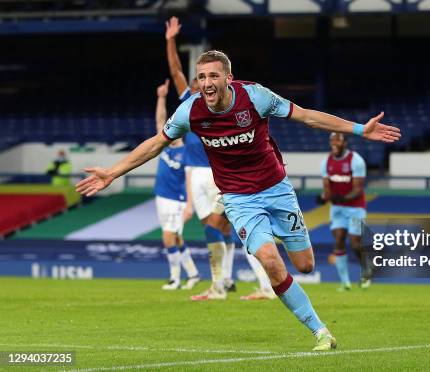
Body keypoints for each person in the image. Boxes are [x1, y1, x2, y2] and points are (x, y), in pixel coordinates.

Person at [76, 49, 400, 350]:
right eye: (201, 77)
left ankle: (275, 243)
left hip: (276, 189)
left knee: (305, 265)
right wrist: (112, 173)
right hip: (238, 199)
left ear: (228, 78)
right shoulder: (190, 111)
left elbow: (306, 116)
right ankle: (321, 331)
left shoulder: (255, 96)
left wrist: (359, 130)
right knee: (271, 262)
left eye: (213, 76)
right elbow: (155, 144)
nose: (206, 83)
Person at [165, 16, 235, 300]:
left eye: (207, 78)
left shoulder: (223, 103)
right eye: (198, 79)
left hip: (218, 173)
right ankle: (221, 282)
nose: (201, 83)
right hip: (196, 173)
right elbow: (175, 70)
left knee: (227, 227)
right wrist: (170, 41)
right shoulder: (188, 105)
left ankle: (227, 281)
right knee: (213, 229)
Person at [153, 79, 201, 290]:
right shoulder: (164, 145)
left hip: (177, 199)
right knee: (177, 237)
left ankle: (175, 278)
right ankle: (193, 274)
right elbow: (159, 121)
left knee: (168, 237)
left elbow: (190, 177)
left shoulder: (186, 150)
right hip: (162, 196)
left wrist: (190, 203)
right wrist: (161, 97)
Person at [318, 133, 371, 291]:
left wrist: (340, 198)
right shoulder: (326, 162)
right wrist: (323, 198)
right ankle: (345, 282)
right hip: (337, 209)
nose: (334, 143)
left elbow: (358, 189)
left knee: (355, 242)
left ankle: (366, 268)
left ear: (345, 143)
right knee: (339, 239)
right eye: (332, 140)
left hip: (355, 208)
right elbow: (327, 190)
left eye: (338, 140)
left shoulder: (356, 160)